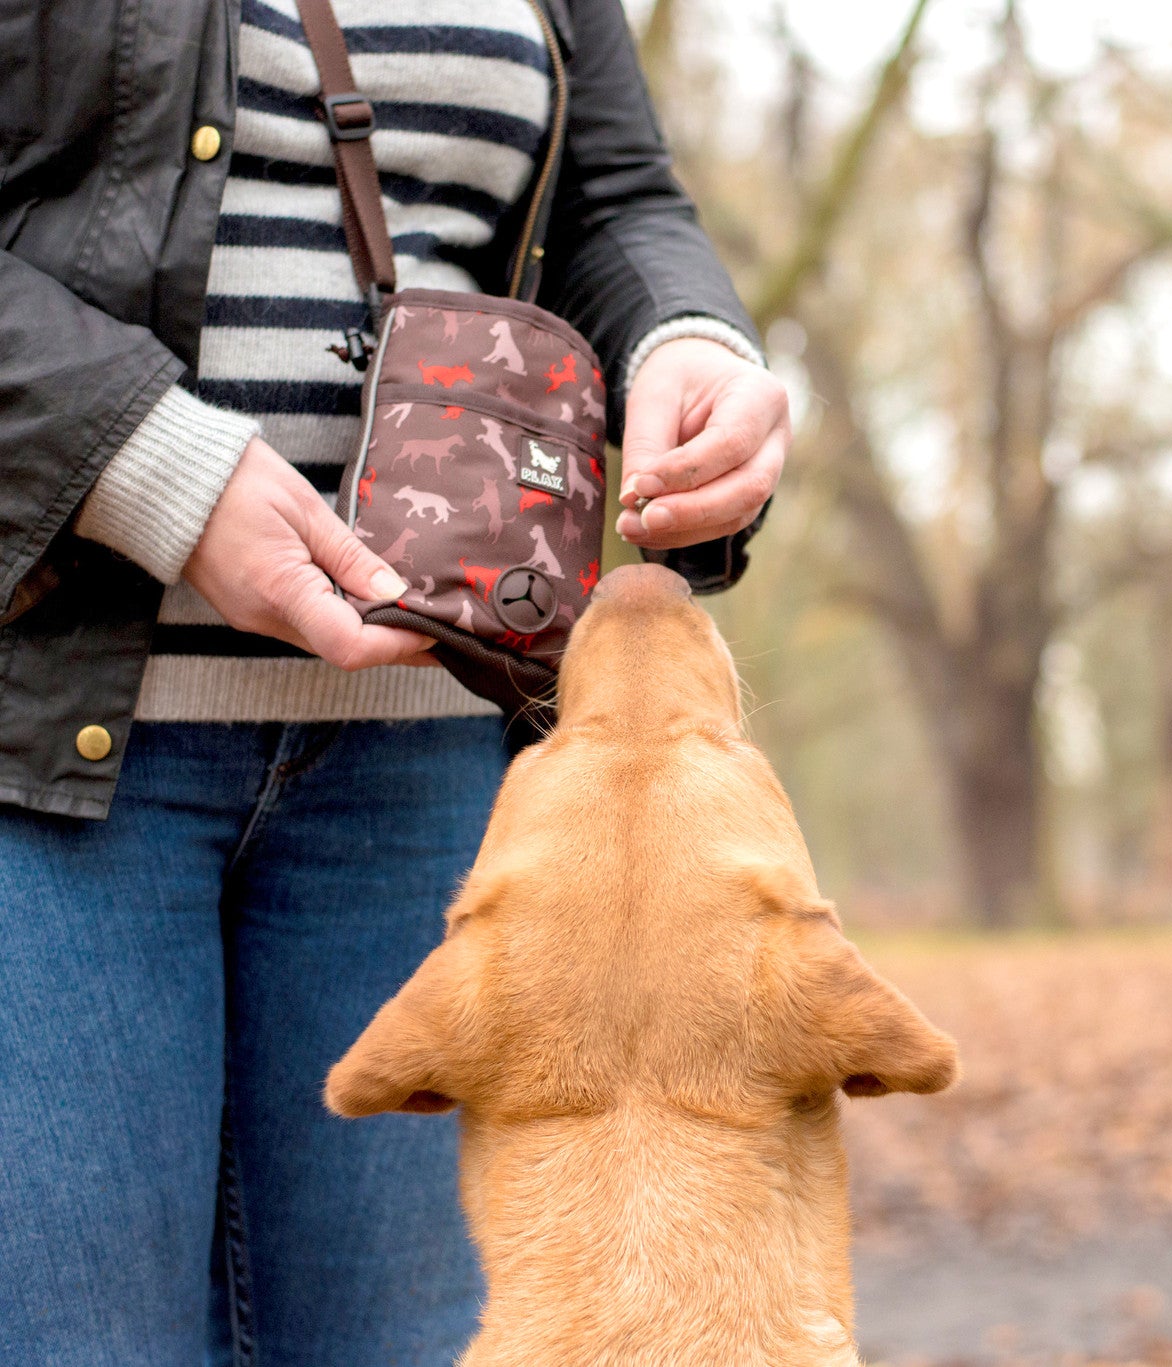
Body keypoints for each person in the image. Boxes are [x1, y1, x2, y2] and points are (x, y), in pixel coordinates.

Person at [0, 1, 790, 1362]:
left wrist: (689, 341)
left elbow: (612, 196)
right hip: (42, 757)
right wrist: (141, 459)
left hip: (429, 769)